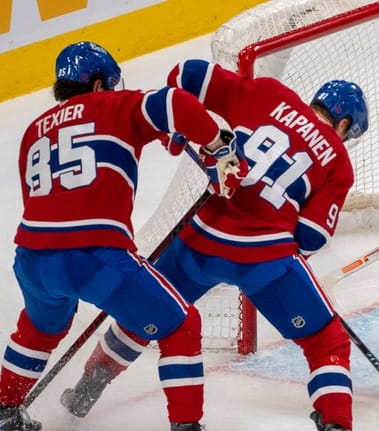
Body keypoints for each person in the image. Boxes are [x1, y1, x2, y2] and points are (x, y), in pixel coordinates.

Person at [60, 59, 369, 431]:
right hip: (265, 257)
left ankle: (86, 388)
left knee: (144, 314)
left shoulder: (270, 95)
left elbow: (186, 73)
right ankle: (337, 422)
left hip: (202, 239)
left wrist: (176, 130)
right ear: (344, 124)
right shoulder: (338, 161)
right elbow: (311, 237)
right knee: (325, 341)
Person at [0, 42, 247, 431]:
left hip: (32, 258)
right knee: (180, 324)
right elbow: (175, 104)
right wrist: (219, 148)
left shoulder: (33, 130)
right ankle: (186, 425)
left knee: (39, 326)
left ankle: (5, 412)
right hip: (93, 255)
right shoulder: (114, 105)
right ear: (98, 84)